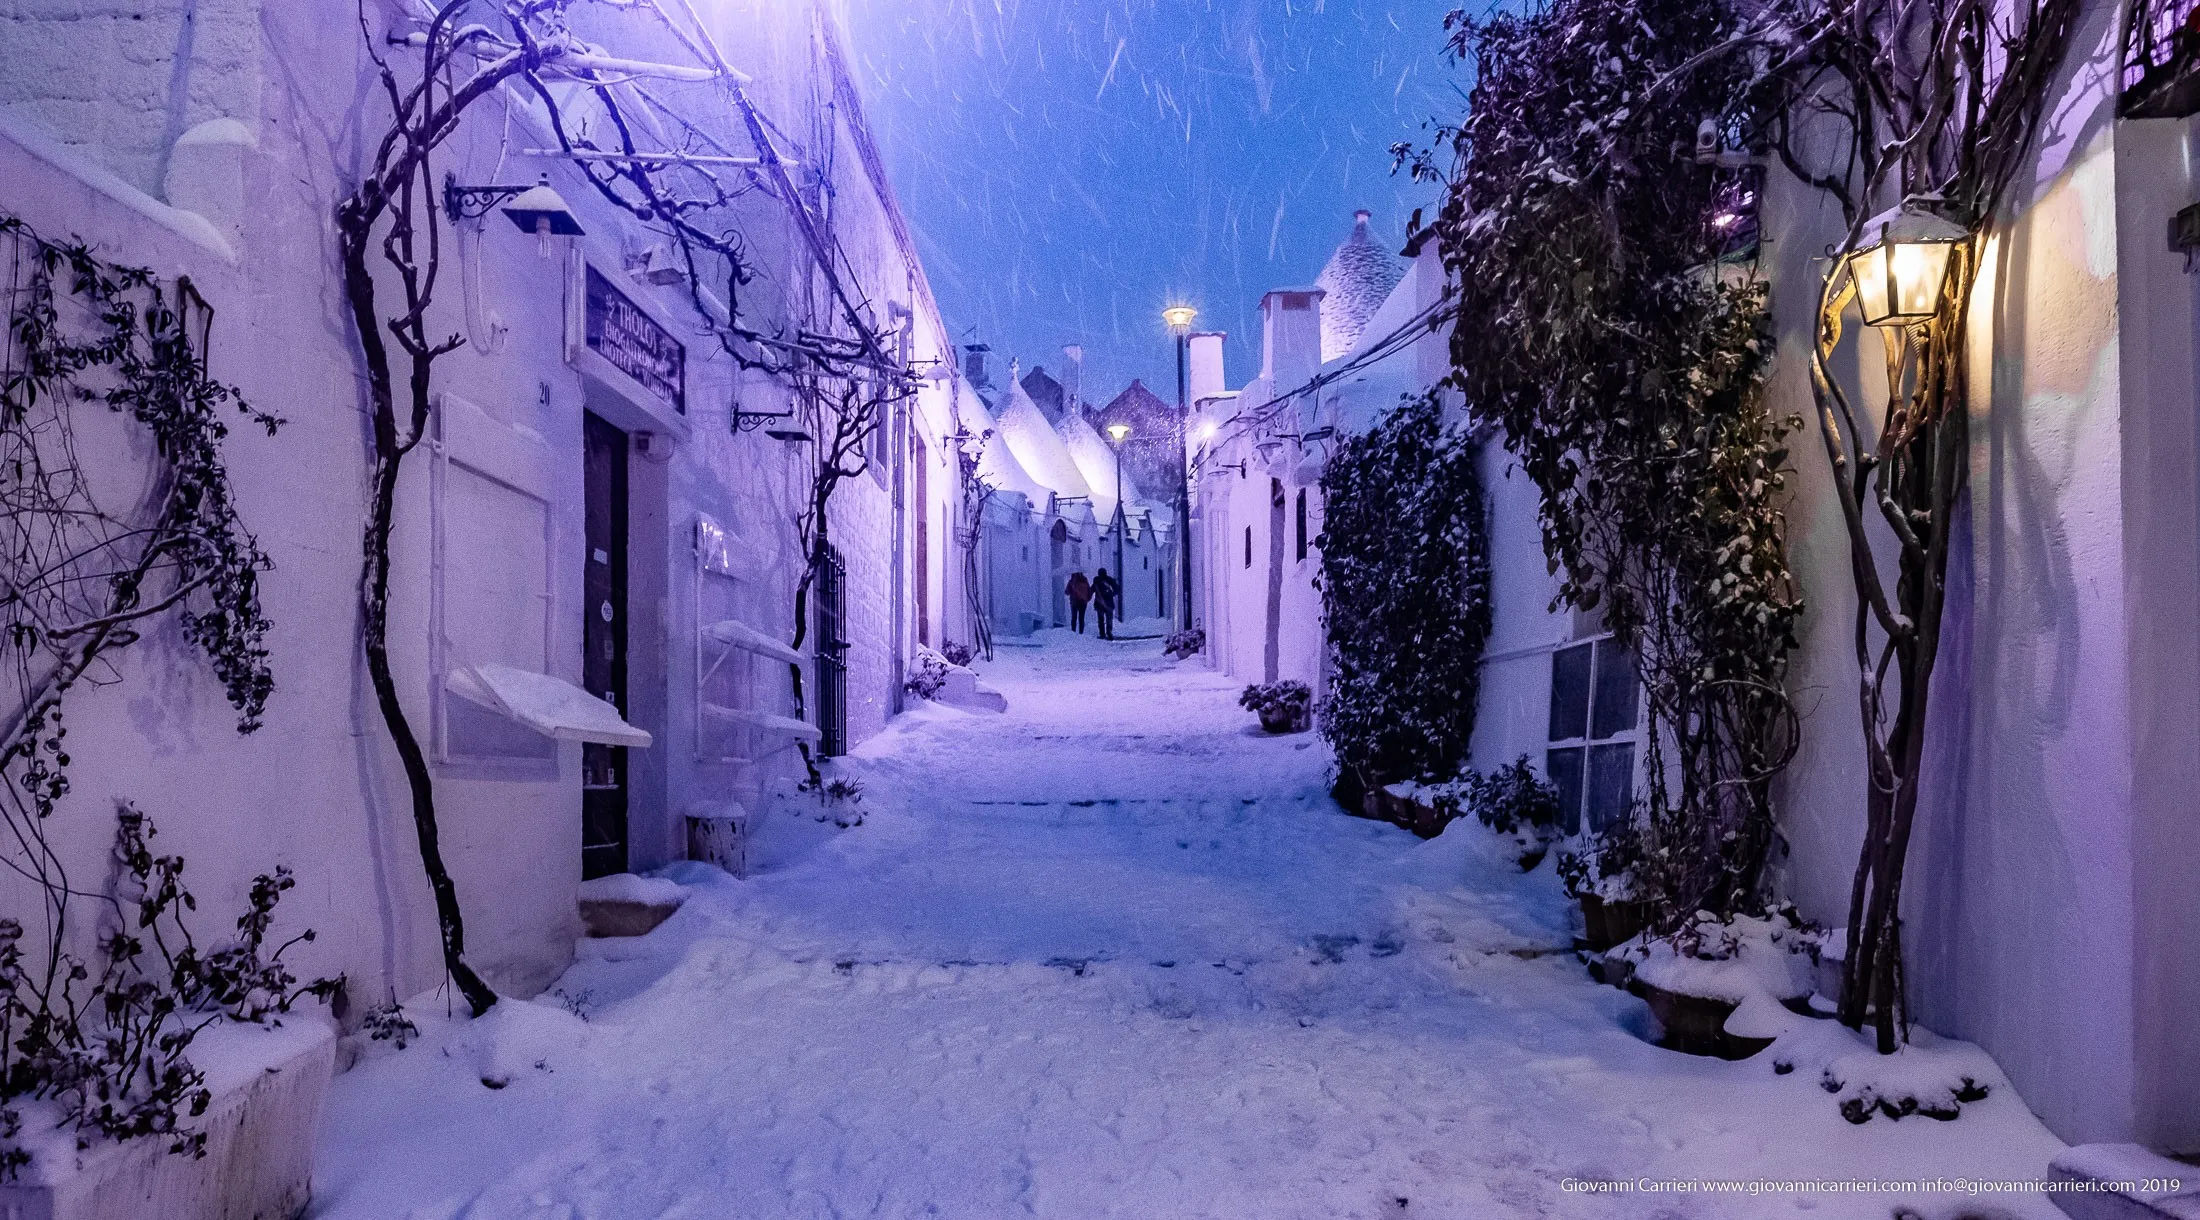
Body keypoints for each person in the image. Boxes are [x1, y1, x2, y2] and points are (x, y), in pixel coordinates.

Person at [1092, 567, 1121, 640]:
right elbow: (1116, 590)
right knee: (1109, 619)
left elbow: (1091, 589)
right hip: (1109, 603)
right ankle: (1109, 632)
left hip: (1099, 602)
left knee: (1101, 619)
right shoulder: (1109, 580)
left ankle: (1102, 633)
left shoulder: (1096, 581)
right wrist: (1111, 594)